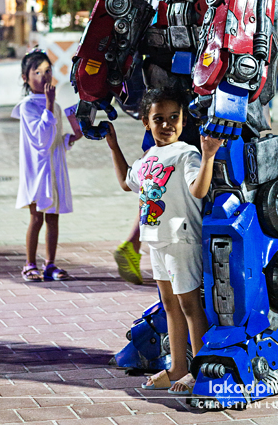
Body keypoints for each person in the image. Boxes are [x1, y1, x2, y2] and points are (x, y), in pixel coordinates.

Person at [105, 86, 222, 394]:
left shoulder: (187, 153)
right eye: (159, 119)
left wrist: (208, 156)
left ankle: (198, 373)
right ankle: (178, 369)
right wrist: (114, 146)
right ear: (146, 122)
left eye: (174, 117)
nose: (167, 124)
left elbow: (198, 190)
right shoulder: (149, 158)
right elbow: (125, 181)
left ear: (184, 121)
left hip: (181, 239)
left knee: (190, 306)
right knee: (169, 305)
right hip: (156, 240)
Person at [11, 48, 82, 282]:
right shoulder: (27, 106)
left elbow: (55, 139)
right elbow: (40, 138)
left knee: (53, 218)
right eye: (37, 71)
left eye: (48, 71)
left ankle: (50, 264)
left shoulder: (55, 105)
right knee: (36, 217)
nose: (44, 76)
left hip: (54, 168)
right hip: (37, 170)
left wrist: (72, 136)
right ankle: (30, 264)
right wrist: (49, 105)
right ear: (26, 77)